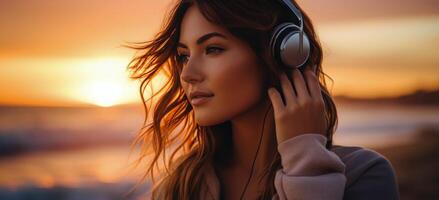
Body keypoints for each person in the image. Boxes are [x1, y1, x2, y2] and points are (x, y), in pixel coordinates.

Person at [125, 0, 400, 199]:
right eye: (184, 55)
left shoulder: (363, 175)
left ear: (284, 54)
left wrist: (308, 169)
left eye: (213, 49)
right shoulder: (180, 187)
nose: (188, 74)